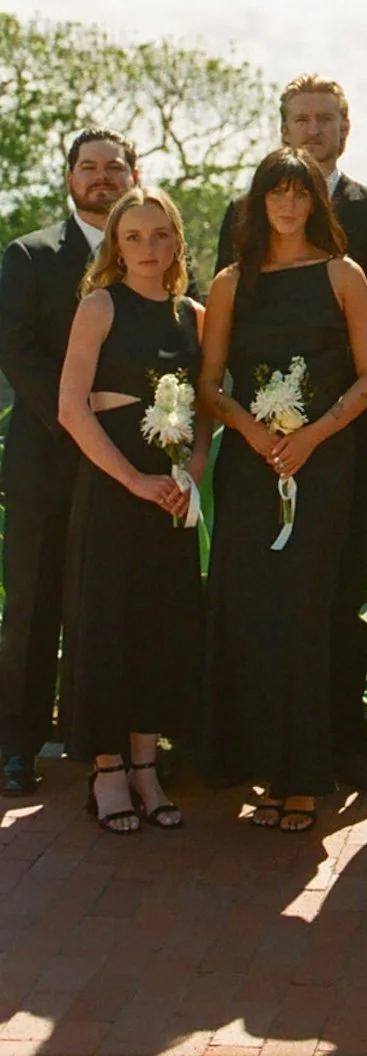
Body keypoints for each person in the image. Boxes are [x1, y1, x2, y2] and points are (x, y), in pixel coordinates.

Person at [198, 148, 367, 832]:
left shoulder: (344, 274)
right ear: (257, 203)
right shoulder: (229, 283)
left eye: (298, 193)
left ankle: (303, 779)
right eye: (274, 193)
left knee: (306, 614)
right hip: (250, 468)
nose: (287, 205)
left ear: (314, 202)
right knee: (249, 612)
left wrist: (313, 435)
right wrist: (252, 433)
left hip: (323, 464)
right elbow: (211, 382)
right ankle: (256, 767)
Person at [57, 188, 207, 832]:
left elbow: (206, 409)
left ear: (177, 241)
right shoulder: (100, 306)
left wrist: (188, 476)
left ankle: (147, 766)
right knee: (108, 622)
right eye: (134, 237)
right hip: (114, 485)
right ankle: (108, 770)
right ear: (116, 246)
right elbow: (71, 409)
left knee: (161, 623)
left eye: (160, 235)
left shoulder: (195, 315)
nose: (149, 248)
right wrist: (131, 481)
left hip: (170, 492)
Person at [0, 127, 139, 797]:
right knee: (32, 608)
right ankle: (18, 746)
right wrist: (79, 417)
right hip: (48, 462)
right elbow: (19, 352)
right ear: (69, 179)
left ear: (134, 178)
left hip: (128, 467)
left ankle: (101, 744)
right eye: (89, 168)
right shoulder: (28, 257)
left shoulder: (156, 256)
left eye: (114, 167)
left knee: (109, 607)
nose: (102, 178)